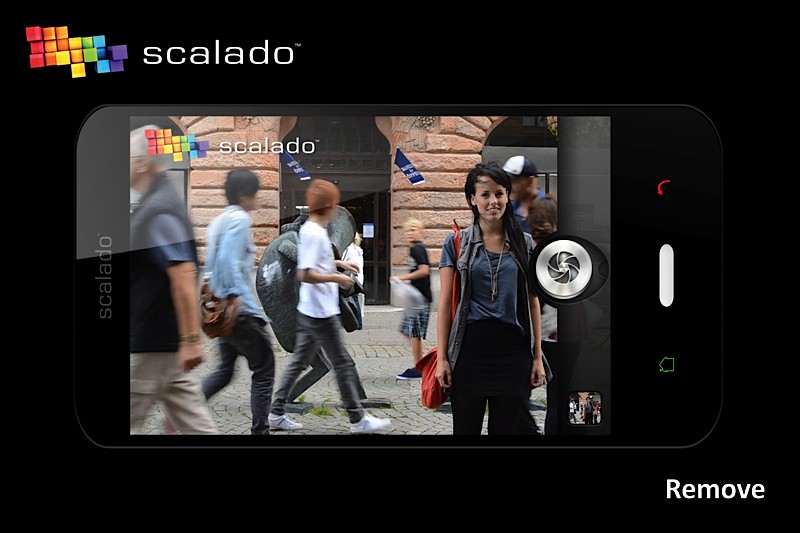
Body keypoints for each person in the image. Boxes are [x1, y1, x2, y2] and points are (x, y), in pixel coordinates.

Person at [267, 179, 392, 434]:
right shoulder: (313, 233)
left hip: (315, 311)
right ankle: (357, 419)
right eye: (334, 203)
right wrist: (337, 278)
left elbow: (317, 263)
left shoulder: (314, 230)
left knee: (302, 363)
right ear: (328, 205)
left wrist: (340, 265)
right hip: (319, 313)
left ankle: (276, 412)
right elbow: (305, 273)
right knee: (340, 363)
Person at [436, 162, 547, 435]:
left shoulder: (525, 243)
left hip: (513, 354)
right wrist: (442, 359)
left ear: (507, 195)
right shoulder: (456, 244)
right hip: (469, 353)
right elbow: (445, 305)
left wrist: (537, 357)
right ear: (473, 199)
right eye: (485, 194)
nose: (493, 201)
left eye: (499, 193)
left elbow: (533, 302)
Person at [129, 125, 217, 435]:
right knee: (196, 426)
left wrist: (191, 339)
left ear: (142, 163)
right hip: (162, 342)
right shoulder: (157, 203)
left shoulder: (158, 210)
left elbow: (182, 274)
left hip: (149, 343)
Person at [200, 170, 276, 435]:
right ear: (244, 195)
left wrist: (218, 298)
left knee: (224, 371)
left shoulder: (218, 221)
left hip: (223, 313)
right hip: (240, 312)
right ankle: (260, 432)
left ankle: (183, 410)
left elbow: (210, 268)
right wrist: (235, 297)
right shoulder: (240, 219)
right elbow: (228, 260)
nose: (259, 198)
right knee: (264, 370)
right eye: (256, 192)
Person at [392, 218, 432, 380]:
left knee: (414, 333)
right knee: (407, 331)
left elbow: (424, 271)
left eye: (413, 230)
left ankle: (419, 367)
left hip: (420, 300)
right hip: (415, 299)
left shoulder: (418, 249)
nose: (410, 233)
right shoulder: (414, 249)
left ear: (420, 232)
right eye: (408, 230)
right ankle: (423, 362)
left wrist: (402, 277)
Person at [502, 155, 545, 235]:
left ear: (530, 181)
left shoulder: (547, 208)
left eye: (514, 181)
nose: (509, 185)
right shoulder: (509, 206)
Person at [341, 231, 365, 330]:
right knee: (354, 299)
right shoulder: (358, 250)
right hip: (356, 278)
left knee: (353, 300)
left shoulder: (349, 249)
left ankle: (358, 323)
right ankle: (357, 322)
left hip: (350, 277)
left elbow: (344, 261)